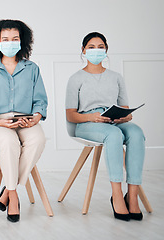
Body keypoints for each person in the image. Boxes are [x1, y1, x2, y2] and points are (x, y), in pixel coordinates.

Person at [65, 32, 145, 221]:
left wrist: (124, 117)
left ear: (106, 50)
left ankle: (132, 196)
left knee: (136, 132)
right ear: (83, 51)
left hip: (112, 121)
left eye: (100, 47)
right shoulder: (75, 78)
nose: (96, 50)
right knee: (113, 136)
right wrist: (91, 117)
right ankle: (116, 195)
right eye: (91, 47)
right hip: (86, 124)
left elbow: (125, 109)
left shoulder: (116, 77)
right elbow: (70, 114)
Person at [0, 19, 47, 223]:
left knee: (38, 140)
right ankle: (14, 195)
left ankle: (7, 190)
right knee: (8, 141)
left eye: (14, 38)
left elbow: (40, 100)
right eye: (5, 39)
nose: (10, 42)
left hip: (25, 121)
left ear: (22, 41)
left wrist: (35, 118)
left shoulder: (32, 69)